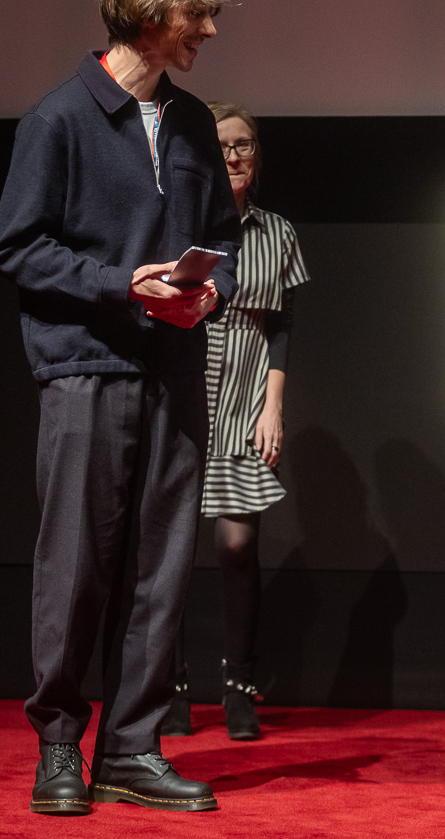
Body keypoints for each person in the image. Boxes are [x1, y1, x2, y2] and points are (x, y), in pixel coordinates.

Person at [0, 0, 242, 816]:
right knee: (76, 567)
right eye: (195, 14)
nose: (209, 29)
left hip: (173, 369)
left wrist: (207, 297)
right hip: (86, 370)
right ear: (146, 13)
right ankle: (60, 745)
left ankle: (132, 747)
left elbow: (226, 241)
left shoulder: (193, 122)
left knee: (160, 570)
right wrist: (119, 284)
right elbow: (18, 247)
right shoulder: (58, 120)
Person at [162, 101, 310, 741]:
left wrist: (275, 406)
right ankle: (168, 685)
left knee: (237, 544)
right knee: (170, 549)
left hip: (247, 393)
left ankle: (238, 686)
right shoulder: (181, 223)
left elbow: (283, 326)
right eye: (222, 146)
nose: (234, 156)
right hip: (185, 390)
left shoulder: (278, 232)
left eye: (244, 144)